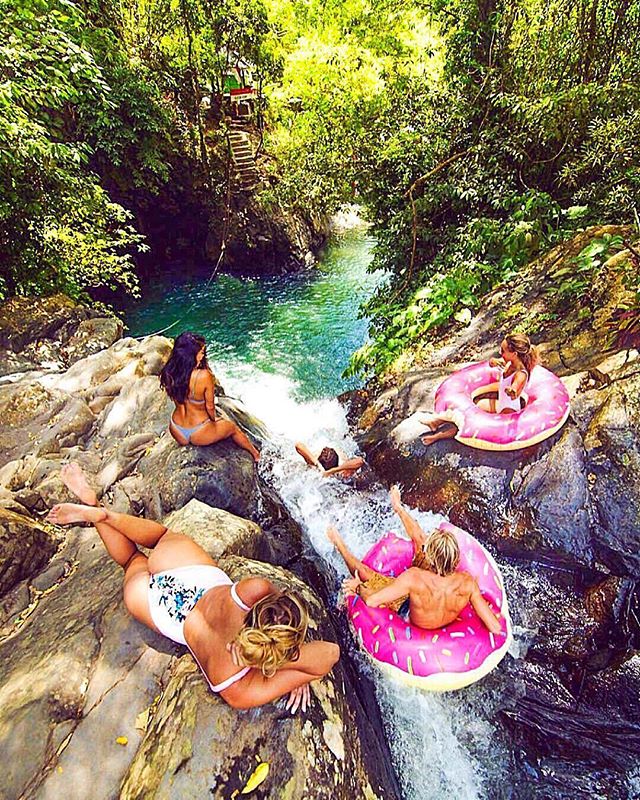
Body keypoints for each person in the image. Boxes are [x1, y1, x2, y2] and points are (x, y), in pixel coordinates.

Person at [47, 463, 340, 711]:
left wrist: (283, 649)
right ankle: (92, 507)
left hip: (190, 576)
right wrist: (290, 671)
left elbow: (292, 617)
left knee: (160, 536)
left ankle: (102, 513)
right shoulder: (236, 687)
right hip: (164, 610)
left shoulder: (254, 589)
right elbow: (328, 655)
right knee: (131, 560)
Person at [327, 486, 501, 633]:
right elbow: (494, 627)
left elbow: (372, 600)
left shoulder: (414, 577)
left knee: (364, 572)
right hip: (438, 610)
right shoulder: (467, 583)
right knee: (420, 540)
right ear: (455, 559)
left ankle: (338, 543)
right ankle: (398, 508)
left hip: (410, 616)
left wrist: (357, 587)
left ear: (431, 559)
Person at [420, 332, 539, 446]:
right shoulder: (509, 363)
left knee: (469, 422)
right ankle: (435, 422)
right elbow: (494, 363)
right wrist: (494, 361)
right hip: (500, 404)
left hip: (508, 411)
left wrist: (512, 390)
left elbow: (516, 388)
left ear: (514, 354)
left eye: (502, 351)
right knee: (469, 409)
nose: (500, 352)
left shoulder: (521, 373)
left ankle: (437, 436)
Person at [160, 331, 260, 461]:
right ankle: (256, 455)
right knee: (233, 428)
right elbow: (210, 406)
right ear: (191, 355)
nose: (203, 355)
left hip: (176, 429)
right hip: (199, 432)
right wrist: (214, 421)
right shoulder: (203, 376)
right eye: (201, 352)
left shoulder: (170, 372)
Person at [294, 442, 365, 480]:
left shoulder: (342, 467)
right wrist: (317, 463)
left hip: (335, 455)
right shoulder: (315, 465)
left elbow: (360, 461)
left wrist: (331, 471)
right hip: (320, 457)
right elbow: (298, 445)